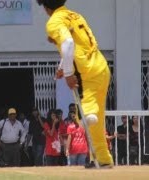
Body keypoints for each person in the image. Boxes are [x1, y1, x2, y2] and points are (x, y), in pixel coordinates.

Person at [36, 0, 113, 168]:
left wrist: (69, 73)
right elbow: (76, 45)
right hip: (101, 67)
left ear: (46, 7)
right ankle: (103, 159)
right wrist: (62, 67)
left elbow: (68, 44)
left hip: (86, 73)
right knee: (98, 122)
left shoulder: (54, 21)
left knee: (83, 116)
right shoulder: (75, 15)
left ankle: (87, 114)